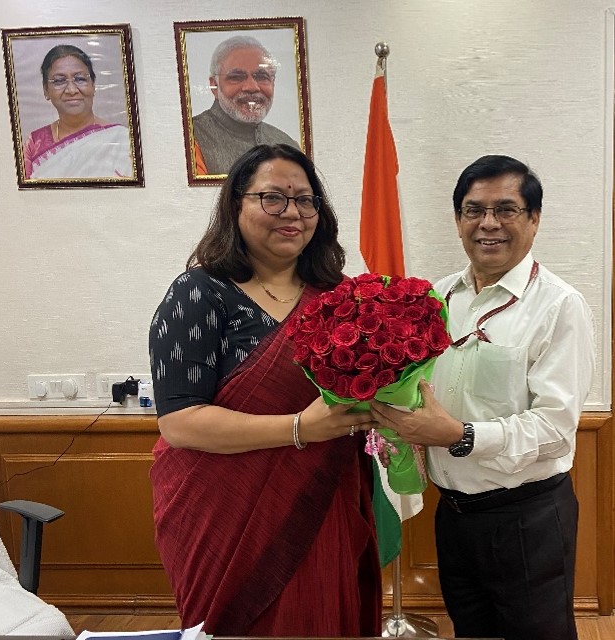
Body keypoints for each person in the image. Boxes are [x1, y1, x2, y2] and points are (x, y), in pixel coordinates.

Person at [148, 143, 381, 635]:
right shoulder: (199, 293)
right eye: (272, 197)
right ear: (236, 204)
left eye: (305, 199)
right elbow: (180, 422)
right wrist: (300, 428)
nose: (292, 213)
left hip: (319, 499)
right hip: (223, 513)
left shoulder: (339, 298)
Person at [370, 155, 595, 640]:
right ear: (458, 220)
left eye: (506, 209)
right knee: (471, 632)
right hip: (453, 514)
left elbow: (555, 429)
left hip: (527, 518)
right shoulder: (435, 298)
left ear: (534, 219)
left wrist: (459, 435)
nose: (488, 223)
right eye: (474, 210)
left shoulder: (559, 305)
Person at [192, 35, 300, 175]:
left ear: (273, 83)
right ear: (215, 86)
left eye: (262, 76)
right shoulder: (192, 137)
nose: (251, 87)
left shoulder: (288, 145)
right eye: (236, 77)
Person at [23, 44, 133, 179]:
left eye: (80, 79)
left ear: (93, 85)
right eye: (59, 81)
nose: (71, 90)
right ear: (46, 90)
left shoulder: (123, 140)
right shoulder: (34, 143)